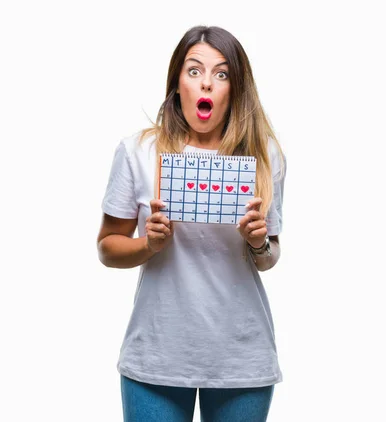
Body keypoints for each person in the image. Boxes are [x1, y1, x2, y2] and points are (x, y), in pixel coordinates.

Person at [97, 25, 286, 422]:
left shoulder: (264, 155)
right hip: (156, 356)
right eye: (194, 70)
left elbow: (270, 255)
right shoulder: (137, 151)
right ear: (177, 82)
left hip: (241, 358)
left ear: (234, 89)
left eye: (221, 74)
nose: (206, 84)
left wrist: (258, 244)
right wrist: (148, 245)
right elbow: (107, 247)